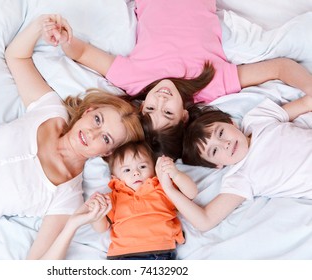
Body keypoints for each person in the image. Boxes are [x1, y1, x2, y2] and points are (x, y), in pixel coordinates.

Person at [0, 14, 144, 259]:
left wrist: (72, 225)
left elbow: (37, 264)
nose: (92, 133)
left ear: (107, 152)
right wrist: (41, 26)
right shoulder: (50, 111)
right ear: (88, 111)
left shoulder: (67, 197)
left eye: (105, 138)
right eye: (97, 120)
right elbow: (17, 57)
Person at [43, 0, 312, 134]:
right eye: (168, 112)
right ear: (184, 115)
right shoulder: (211, 86)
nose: (160, 99)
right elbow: (279, 67)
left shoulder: (135, 81)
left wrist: (65, 39)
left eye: (150, 108)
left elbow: (84, 52)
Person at [170, 95, 312, 232]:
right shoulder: (239, 177)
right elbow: (205, 220)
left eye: (220, 133)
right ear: (217, 165)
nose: (225, 144)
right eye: (214, 151)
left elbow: (306, 103)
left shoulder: (257, 119)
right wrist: (169, 189)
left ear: (231, 122)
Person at [91, 141, 196, 259]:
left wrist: (175, 174)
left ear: (154, 170)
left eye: (142, 166)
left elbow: (191, 193)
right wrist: (97, 213)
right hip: (124, 255)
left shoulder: (162, 187)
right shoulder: (113, 197)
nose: (136, 173)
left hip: (162, 251)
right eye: (127, 170)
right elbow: (101, 228)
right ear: (114, 177)